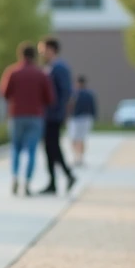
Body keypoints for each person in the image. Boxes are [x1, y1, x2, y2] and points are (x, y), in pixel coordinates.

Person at [0, 43, 54, 195]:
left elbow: (4, 93)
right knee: (32, 150)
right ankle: (27, 183)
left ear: (20, 55)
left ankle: (15, 176)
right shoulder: (41, 74)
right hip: (35, 116)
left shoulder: (12, 72)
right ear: (34, 55)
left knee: (15, 148)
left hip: (16, 115)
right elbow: (49, 98)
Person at [37, 38, 76, 194]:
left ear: (51, 49)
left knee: (52, 146)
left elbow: (66, 92)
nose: (41, 53)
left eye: (43, 50)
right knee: (50, 148)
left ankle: (66, 175)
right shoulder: (51, 67)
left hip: (54, 115)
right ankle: (55, 180)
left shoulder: (59, 68)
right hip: (49, 114)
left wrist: (60, 112)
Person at [69, 75, 97, 167]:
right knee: (82, 139)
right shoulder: (90, 94)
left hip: (76, 118)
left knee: (74, 139)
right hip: (87, 118)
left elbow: (70, 106)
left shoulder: (75, 94)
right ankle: (81, 158)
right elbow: (93, 108)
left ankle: (76, 157)